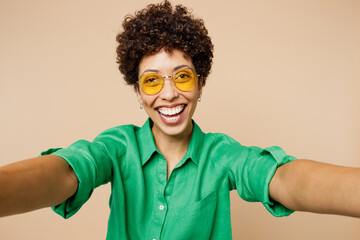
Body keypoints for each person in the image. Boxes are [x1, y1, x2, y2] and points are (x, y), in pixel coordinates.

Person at [0, 0, 359, 239]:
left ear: (201, 83)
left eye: (182, 76)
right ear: (138, 92)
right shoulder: (118, 148)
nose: (169, 93)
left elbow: (281, 177)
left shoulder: (223, 155)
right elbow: (68, 170)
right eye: (152, 80)